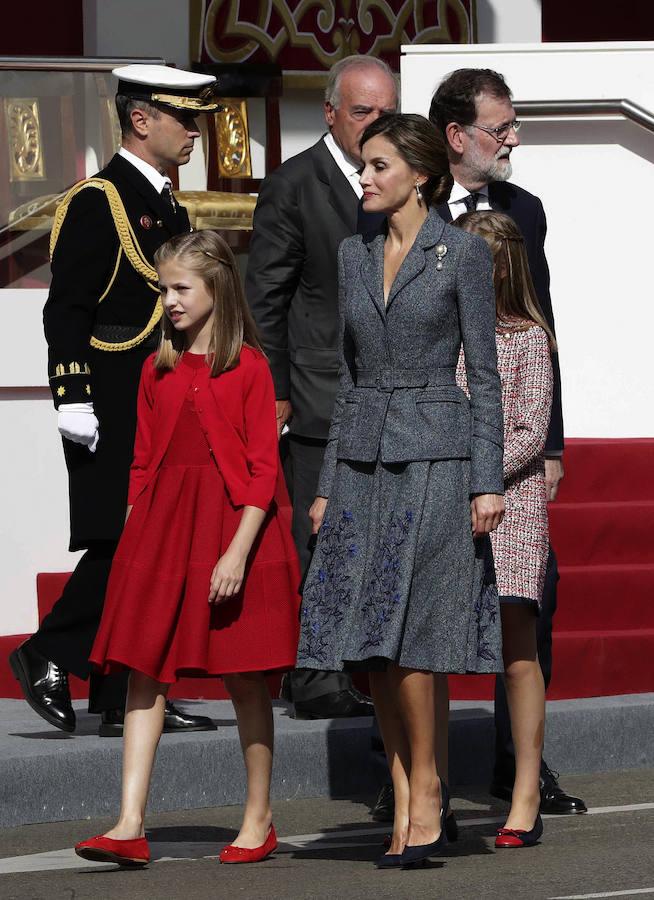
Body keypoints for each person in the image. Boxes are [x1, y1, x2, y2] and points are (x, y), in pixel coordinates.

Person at [296, 113, 505, 869]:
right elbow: (347, 380)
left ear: (420, 173)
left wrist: (488, 480)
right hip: (359, 466)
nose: (366, 177)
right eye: (364, 165)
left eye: (379, 165)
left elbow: (482, 376)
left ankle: (426, 788)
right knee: (368, 643)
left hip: (438, 461)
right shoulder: (353, 255)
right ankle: (403, 782)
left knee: (414, 639)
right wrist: (325, 485)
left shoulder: (464, 256)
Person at [74, 230, 301, 868]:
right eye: (163, 288)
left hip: (235, 533)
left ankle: (258, 819)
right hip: (164, 532)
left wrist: (236, 553)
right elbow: (143, 462)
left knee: (247, 679)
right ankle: (128, 823)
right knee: (143, 673)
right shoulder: (157, 366)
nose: (169, 301)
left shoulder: (250, 367)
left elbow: (262, 471)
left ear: (217, 288)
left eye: (180, 288)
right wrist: (132, 534)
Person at [9, 66, 221, 738]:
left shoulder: (168, 204)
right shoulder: (98, 200)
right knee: (122, 540)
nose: (194, 131)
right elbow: (67, 308)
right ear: (140, 119)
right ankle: (48, 651)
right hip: (110, 396)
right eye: (184, 118)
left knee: (149, 540)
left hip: (161, 397)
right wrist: (72, 396)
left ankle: (120, 690)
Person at [429, 67, 587, 815]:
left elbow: (540, 322)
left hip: (514, 465)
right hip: (432, 448)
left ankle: (516, 766)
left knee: (531, 607)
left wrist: (548, 445)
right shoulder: (408, 206)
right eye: (502, 127)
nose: (514, 138)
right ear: (459, 136)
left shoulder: (525, 208)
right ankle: (410, 770)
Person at [246, 55, 398, 719]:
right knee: (324, 532)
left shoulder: (403, 180)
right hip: (317, 394)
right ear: (331, 113)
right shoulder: (294, 185)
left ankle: (355, 661)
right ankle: (314, 674)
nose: (375, 125)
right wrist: (275, 387)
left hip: (389, 392)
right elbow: (265, 296)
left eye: (385, 112)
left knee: (372, 532)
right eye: (363, 112)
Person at [456, 210, 555, 847]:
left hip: (510, 504)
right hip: (445, 499)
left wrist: (477, 477)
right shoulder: (445, 335)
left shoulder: (525, 337)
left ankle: (524, 792)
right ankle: (423, 790)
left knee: (517, 646)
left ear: (498, 267)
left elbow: (528, 430)